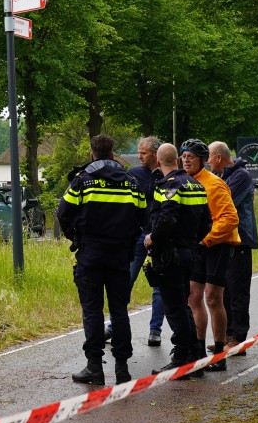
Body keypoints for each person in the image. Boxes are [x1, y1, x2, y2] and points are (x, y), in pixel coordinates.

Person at [55, 133, 147, 385]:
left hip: (91, 255)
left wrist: (75, 237)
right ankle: (122, 368)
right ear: (112, 153)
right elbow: (144, 218)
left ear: (91, 153)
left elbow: (62, 212)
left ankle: (94, 367)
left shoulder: (82, 182)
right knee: (120, 311)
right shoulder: (131, 183)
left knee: (93, 312)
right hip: (120, 257)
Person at [144, 142, 205, 374]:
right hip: (190, 251)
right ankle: (194, 356)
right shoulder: (196, 185)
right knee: (184, 304)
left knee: (174, 307)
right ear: (178, 160)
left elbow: (166, 218)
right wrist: (192, 241)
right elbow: (207, 221)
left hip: (170, 254)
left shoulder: (167, 186)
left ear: (158, 162)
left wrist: (153, 238)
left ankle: (181, 356)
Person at [181, 138, 239, 373]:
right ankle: (197, 352)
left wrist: (207, 240)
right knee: (193, 297)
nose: (186, 160)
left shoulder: (214, 184)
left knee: (213, 297)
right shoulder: (183, 182)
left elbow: (231, 219)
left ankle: (218, 353)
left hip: (218, 244)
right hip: (197, 246)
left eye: (191, 157)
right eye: (183, 156)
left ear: (203, 161)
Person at [209, 141, 258, 356]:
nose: (208, 162)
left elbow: (222, 202)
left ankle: (238, 339)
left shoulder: (241, 176)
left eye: (209, 157)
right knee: (225, 291)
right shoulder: (221, 177)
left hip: (240, 241)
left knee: (238, 291)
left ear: (219, 157)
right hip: (225, 240)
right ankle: (227, 336)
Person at [127, 136, 165, 347]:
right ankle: (115, 327)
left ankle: (155, 331)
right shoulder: (133, 175)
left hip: (159, 235)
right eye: (138, 152)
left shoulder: (166, 174)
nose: (139, 156)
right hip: (139, 235)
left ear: (155, 154)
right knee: (126, 280)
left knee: (159, 285)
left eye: (143, 153)